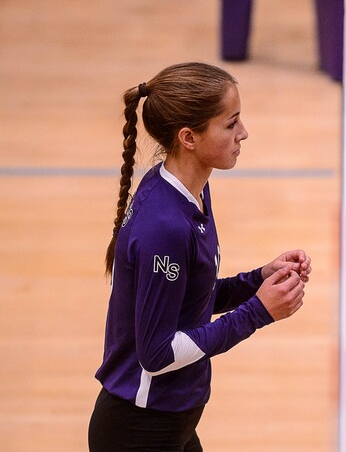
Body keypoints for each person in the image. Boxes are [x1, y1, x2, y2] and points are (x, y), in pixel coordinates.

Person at [88, 62, 312, 451]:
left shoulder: (189, 191)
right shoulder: (165, 226)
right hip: (139, 430)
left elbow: (191, 297)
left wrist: (258, 279)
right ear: (189, 137)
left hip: (172, 421)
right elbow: (157, 355)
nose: (244, 134)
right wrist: (258, 311)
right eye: (230, 124)